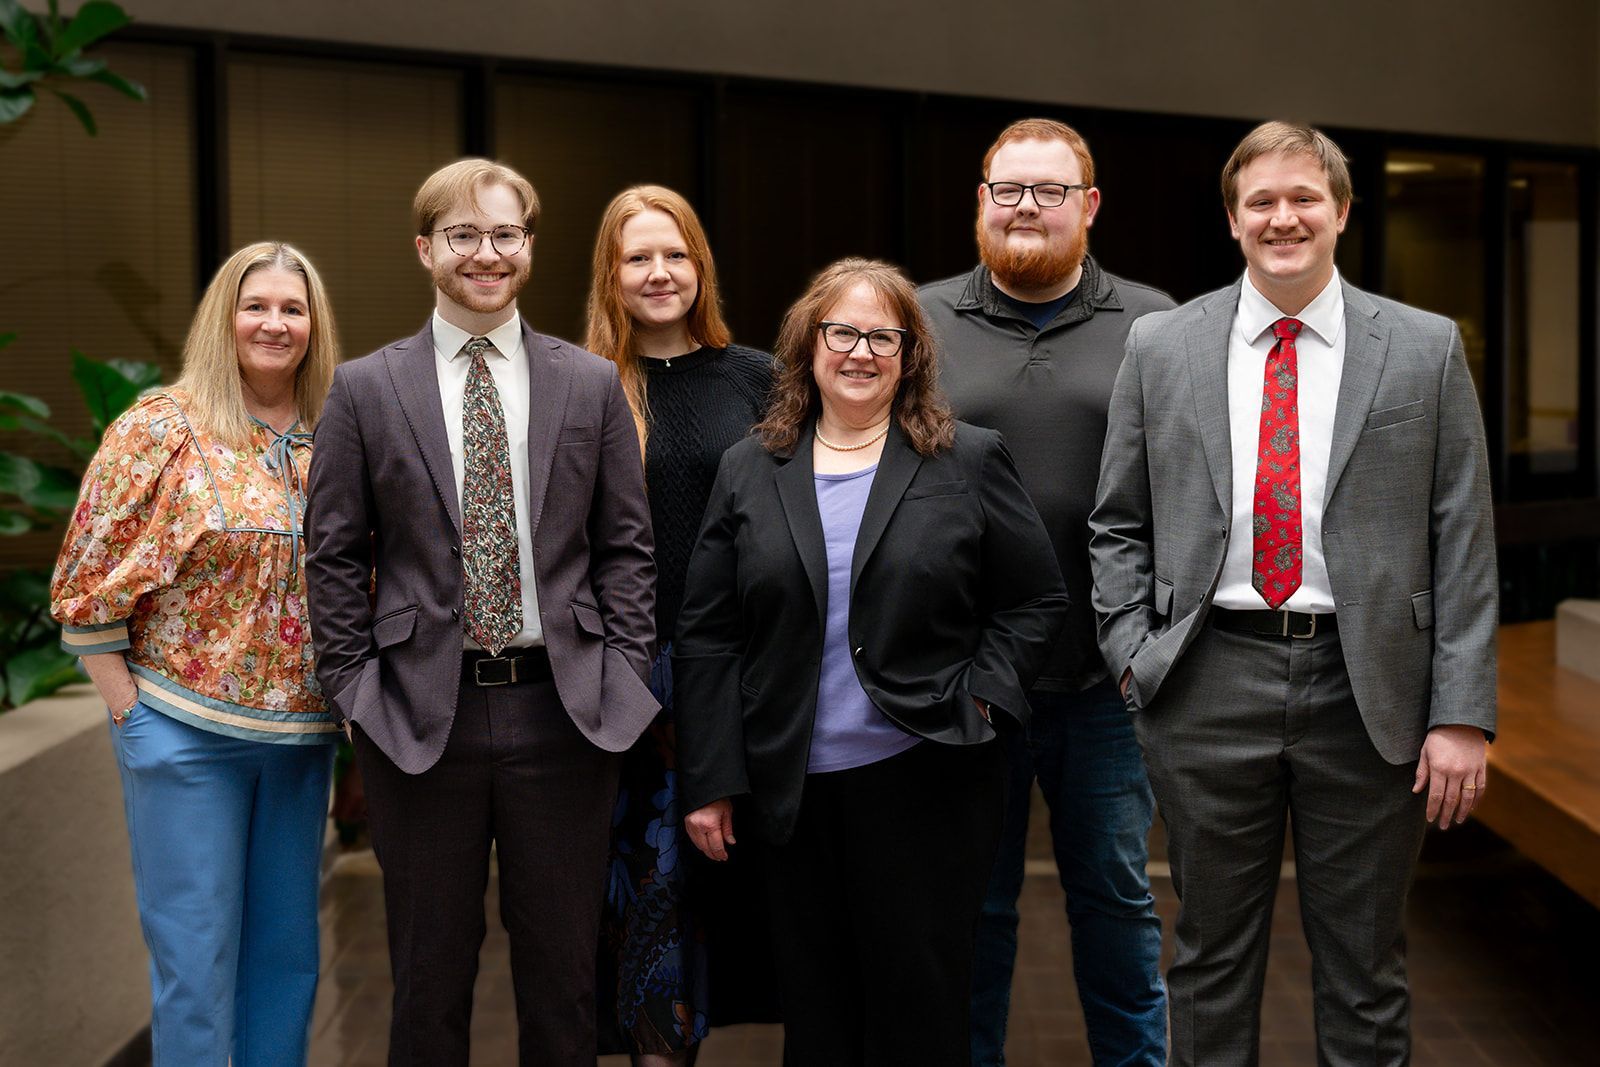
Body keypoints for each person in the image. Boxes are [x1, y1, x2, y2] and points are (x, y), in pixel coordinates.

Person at [1089, 121, 1497, 1066]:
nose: (1284, 217)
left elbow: (1463, 538)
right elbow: (1117, 520)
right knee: (1207, 961)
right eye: (1261, 201)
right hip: (1204, 682)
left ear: (1342, 212)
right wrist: (1132, 653)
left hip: (1374, 694)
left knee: (1365, 968)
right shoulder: (1161, 345)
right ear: (1233, 221)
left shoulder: (1424, 349)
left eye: (1304, 197)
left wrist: (1463, 711)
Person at [303, 158, 659, 1066]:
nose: (486, 254)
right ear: (426, 249)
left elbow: (626, 547)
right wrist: (354, 689)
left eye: (505, 234)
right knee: (427, 981)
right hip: (422, 716)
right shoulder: (365, 388)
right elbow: (335, 552)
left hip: (566, 711)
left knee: (564, 979)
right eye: (463, 235)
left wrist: (619, 676)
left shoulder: (588, 383)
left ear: (530, 248)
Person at [675, 258, 1069, 1067]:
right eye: (842, 332)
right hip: (791, 790)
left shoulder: (966, 459)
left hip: (926, 778)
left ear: (909, 352)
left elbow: (1035, 601)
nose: (860, 351)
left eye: (881, 336)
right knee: (817, 1018)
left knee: (919, 1014)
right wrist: (712, 777)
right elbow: (709, 631)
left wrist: (984, 701)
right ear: (808, 344)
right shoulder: (751, 466)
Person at [918, 116, 1173, 1066]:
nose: (1026, 207)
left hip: (1106, 685)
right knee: (971, 914)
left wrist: (1151, 644)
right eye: (1007, 189)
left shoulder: (1156, 323)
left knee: (1116, 910)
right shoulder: (917, 319)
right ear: (980, 202)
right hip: (967, 680)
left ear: (1090, 205)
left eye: (1049, 190)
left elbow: (1192, 492)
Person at [50, 241, 341, 1066]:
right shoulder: (160, 428)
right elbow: (83, 580)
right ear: (225, 317)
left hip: (299, 744)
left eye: (292, 308)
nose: (274, 323)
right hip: (184, 738)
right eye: (256, 306)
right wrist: (127, 709)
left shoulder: (337, 436)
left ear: (314, 323)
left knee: (287, 963)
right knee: (196, 966)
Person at [584, 184, 775, 1064]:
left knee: (728, 898)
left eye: (676, 255)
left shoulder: (761, 379)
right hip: (620, 688)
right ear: (609, 275)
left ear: (701, 265)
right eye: (637, 258)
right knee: (644, 902)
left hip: (734, 678)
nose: (659, 274)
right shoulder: (582, 386)